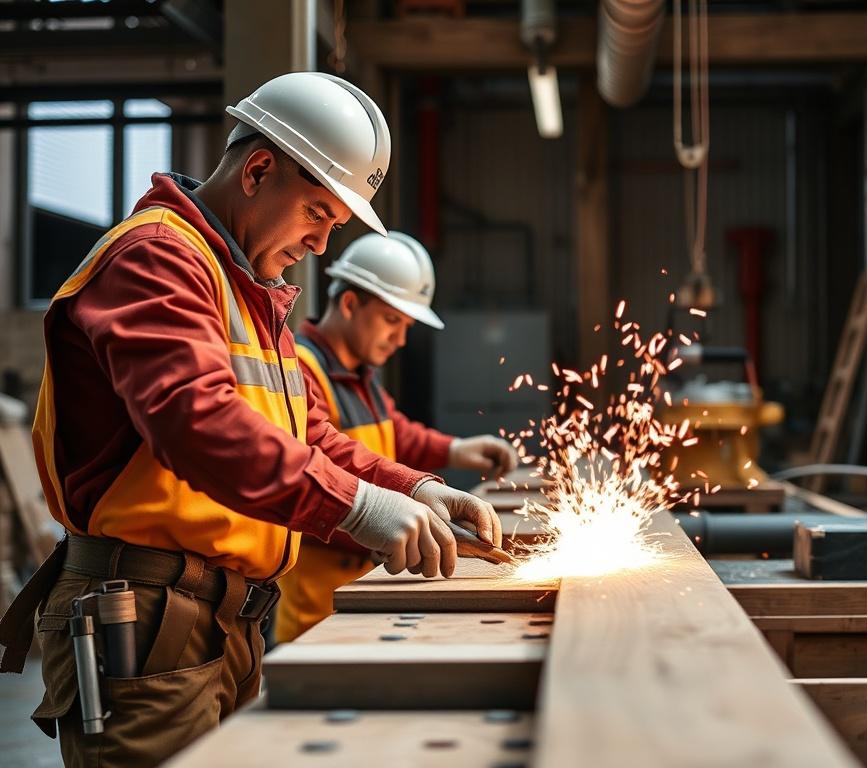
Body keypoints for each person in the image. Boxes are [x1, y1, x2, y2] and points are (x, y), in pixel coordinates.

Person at [0, 71, 500, 768]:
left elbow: (308, 437)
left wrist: (414, 487)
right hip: (145, 625)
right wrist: (356, 508)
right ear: (260, 169)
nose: (322, 244)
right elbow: (196, 424)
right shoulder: (158, 259)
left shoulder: (250, 291)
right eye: (318, 215)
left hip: (224, 624)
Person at [275, 231, 518, 642]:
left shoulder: (361, 378)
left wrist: (455, 450)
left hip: (370, 590)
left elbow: (395, 435)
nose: (400, 339)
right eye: (392, 321)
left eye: (406, 326)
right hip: (318, 612)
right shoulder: (300, 369)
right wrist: (384, 513)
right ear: (350, 304)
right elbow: (315, 465)